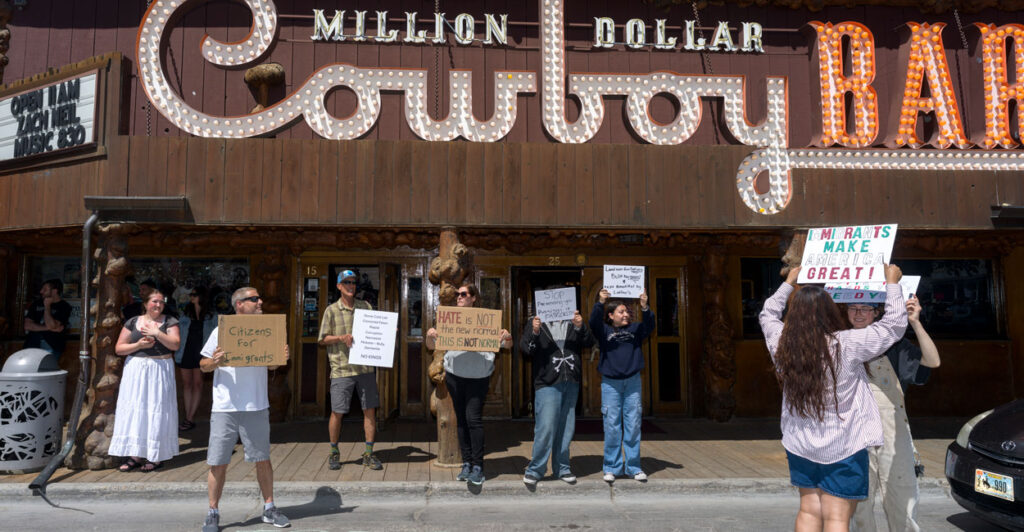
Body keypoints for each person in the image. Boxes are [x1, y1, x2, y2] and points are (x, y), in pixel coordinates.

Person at [759, 265, 906, 532]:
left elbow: (768, 313)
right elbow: (894, 325)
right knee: (837, 518)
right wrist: (892, 283)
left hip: (800, 443)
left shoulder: (780, 342)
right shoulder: (846, 344)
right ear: (828, 313)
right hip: (844, 446)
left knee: (809, 510)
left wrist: (789, 283)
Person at [199, 287, 290, 532]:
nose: (260, 302)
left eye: (259, 298)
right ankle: (212, 512)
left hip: (256, 405)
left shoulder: (266, 331)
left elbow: (272, 365)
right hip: (225, 407)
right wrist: (214, 362)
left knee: (262, 458)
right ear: (239, 304)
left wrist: (280, 358)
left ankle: (269, 508)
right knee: (218, 462)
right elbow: (203, 364)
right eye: (254, 299)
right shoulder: (221, 330)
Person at [848, 295, 940, 532]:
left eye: (865, 308)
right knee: (858, 509)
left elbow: (933, 361)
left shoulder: (895, 345)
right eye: (852, 308)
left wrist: (915, 322)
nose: (858, 313)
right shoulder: (840, 342)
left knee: (902, 503)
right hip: (853, 436)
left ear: (876, 312)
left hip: (893, 436)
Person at [425, 283, 513, 485]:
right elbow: (432, 346)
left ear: (473, 297)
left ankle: (478, 466)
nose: (459, 297)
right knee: (462, 421)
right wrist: (430, 337)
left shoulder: (486, 320)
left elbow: (507, 345)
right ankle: (466, 463)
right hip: (455, 375)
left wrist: (506, 337)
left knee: (473, 419)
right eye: (457, 294)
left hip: (479, 377)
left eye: (463, 294)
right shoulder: (449, 320)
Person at [317, 269, 382, 472]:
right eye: (346, 282)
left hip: (365, 368)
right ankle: (334, 451)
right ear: (338, 286)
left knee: (369, 410)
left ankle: (369, 453)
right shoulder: (331, 310)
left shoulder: (366, 307)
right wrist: (340, 338)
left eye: (353, 282)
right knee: (337, 412)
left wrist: (386, 333)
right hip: (341, 369)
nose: (351, 286)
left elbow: (376, 330)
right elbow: (322, 339)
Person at [519, 309, 594, 485]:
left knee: (566, 427)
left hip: (571, 381)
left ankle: (562, 468)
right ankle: (536, 469)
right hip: (547, 382)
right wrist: (535, 332)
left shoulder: (573, 322)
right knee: (545, 427)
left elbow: (589, 342)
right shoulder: (536, 323)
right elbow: (526, 349)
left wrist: (580, 327)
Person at [110, 289, 181, 472]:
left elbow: (175, 344)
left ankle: (155, 455)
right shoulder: (133, 322)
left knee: (156, 409)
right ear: (145, 303)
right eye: (154, 301)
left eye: (161, 302)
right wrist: (138, 345)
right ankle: (134, 454)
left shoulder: (170, 321)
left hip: (160, 369)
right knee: (136, 410)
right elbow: (119, 348)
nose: (158, 305)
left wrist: (157, 333)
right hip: (136, 369)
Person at [589, 289, 655, 483]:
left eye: (626, 311)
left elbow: (650, 325)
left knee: (633, 425)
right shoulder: (604, 331)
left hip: (632, 383)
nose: (625, 314)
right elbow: (593, 322)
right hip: (610, 384)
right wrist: (600, 302)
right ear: (610, 316)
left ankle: (633, 467)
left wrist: (645, 307)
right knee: (612, 426)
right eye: (620, 312)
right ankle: (612, 467)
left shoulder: (636, 330)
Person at [175, 286, 217, 432]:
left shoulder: (212, 316)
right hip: (186, 351)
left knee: (198, 384)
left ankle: (190, 418)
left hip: (202, 353)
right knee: (187, 384)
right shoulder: (185, 313)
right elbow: (179, 332)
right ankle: (188, 416)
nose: (191, 297)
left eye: (194, 294)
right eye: (190, 294)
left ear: (201, 296)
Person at [23, 278, 73, 357]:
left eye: (45, 289)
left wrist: (47, 306)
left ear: (54, 291)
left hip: (52, 346)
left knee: (47, 368)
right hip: (32, 345)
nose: (41, 291)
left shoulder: (64, 307)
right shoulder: (36, 304)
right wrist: (49, 328)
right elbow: (27, 325)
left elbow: (52, 325)